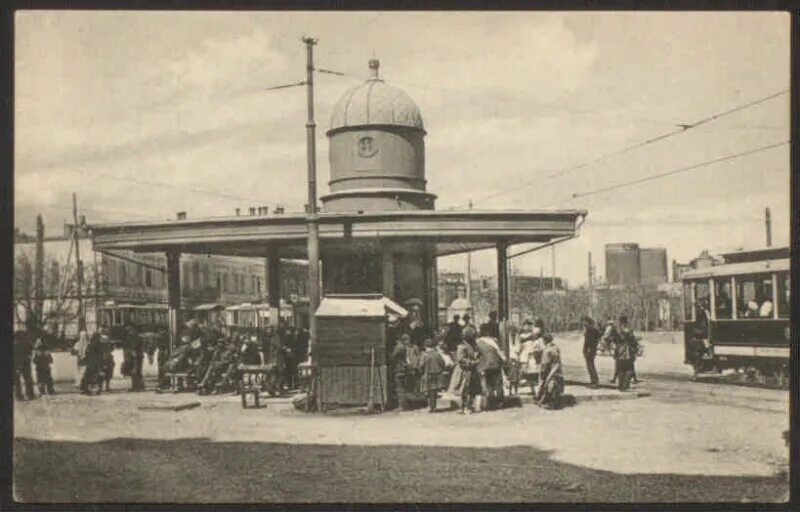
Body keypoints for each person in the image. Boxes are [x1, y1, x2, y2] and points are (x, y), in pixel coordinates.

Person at [448, 326, 479, 414]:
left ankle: (468, 406)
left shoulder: (472, 346)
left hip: (470, 370)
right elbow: (460, 359)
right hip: (463, 371)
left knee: (470, 389)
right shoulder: (462, 347)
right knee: (464, 389)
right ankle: (465, 407)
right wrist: (472, 362)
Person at [475, 324, 506, 411]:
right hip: (496, 364)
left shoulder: (478, 342)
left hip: (486, 366)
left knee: (489, 384)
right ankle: (500, 402)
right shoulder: (495, 340)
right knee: (498, 384)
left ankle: (491, 402)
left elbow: (477, 354)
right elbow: (500, 351)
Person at [537, 334, 564, 409]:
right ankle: (555, 402)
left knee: (547, 384)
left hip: (550, 370)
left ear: (545, 340)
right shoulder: (555, 347)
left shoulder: (547, 349)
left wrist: (541, 373)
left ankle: (548, 402)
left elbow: (545, 363)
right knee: (555, 385)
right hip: (558, 369)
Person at [419, 338, 446, 412]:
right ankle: (434, 406)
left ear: (425, 346)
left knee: (428, 391)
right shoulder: (437, 354)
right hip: (437, 374)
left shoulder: (424, 355)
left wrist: (421, 371)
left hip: (428, 374)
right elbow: (443, 363)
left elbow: (421, 365)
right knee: (434, 391)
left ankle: (431, 406)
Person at [614, 315, 638, 391]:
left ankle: (621, 385)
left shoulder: (617, 330)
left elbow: (614, 340)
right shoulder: (629, 330)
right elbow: (633, 341)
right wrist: (635, 349)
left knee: (620, 369)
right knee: (630, 369)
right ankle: (625, 385)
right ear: (626, 322)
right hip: (628, 352)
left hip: (619, 351)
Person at [391, 334, 414, 410]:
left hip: (399, 369)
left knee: (399, 388)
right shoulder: (403, 347)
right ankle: (404, 405)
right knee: (402, 388)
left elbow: (393, 356)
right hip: (402, 368)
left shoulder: (399, 347)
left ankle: (402, 406)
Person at [80, 331, 105, 395]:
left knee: (88, 376)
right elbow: (102, 353)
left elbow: (86, 352)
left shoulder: (90, 344)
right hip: (97, 362)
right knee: (99, 376)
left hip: (91, 362)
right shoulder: (99, 344)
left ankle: (85, 389)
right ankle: (98, 389)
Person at [14, 330, 36, 401]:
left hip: (16, 364)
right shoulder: (27, 343)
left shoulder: (14, 343)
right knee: (27, 379)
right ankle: (30, 394)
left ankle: (19, 395)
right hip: (25, 363)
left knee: (17, 381)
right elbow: (31, 350)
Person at [582, 316, 601, 388]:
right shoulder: (592, 329)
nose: (583, 323)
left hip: (589, 350)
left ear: (587, 322)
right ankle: (594, 381)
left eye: (584, 321)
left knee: (590, 367)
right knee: (591, 366)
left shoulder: (590, 329)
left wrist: (587, 349)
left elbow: (590, 341)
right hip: (591, 350)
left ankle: (594, 382)